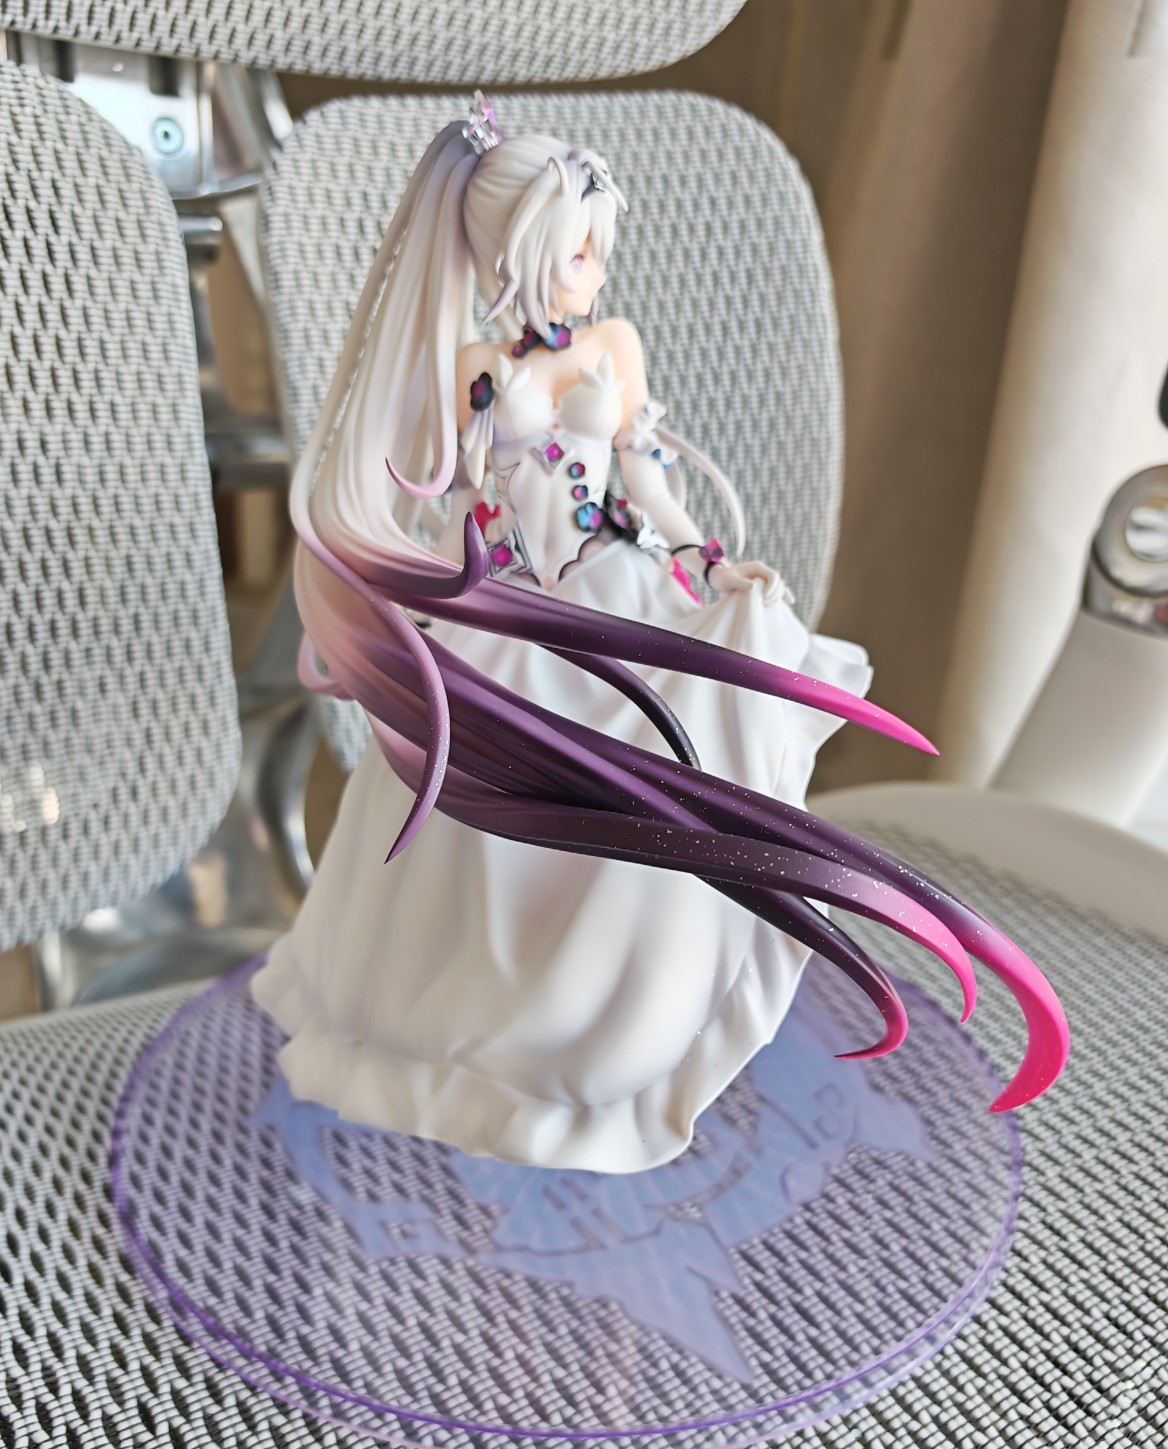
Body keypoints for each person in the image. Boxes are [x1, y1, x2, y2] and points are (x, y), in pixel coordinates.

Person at [251, 96, 1068, 1173]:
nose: (594, 271)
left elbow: (643, 477)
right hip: (506, 599)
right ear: (517, 253)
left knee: (667, 748)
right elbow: (446, 487)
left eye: (599, 249)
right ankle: (483, 1028)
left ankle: (620, 1025)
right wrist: (434, 581)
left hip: (611, 584)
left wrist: (708, 562)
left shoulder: (613, 346)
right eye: (576, 251)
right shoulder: (474, 365)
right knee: (473, 818)